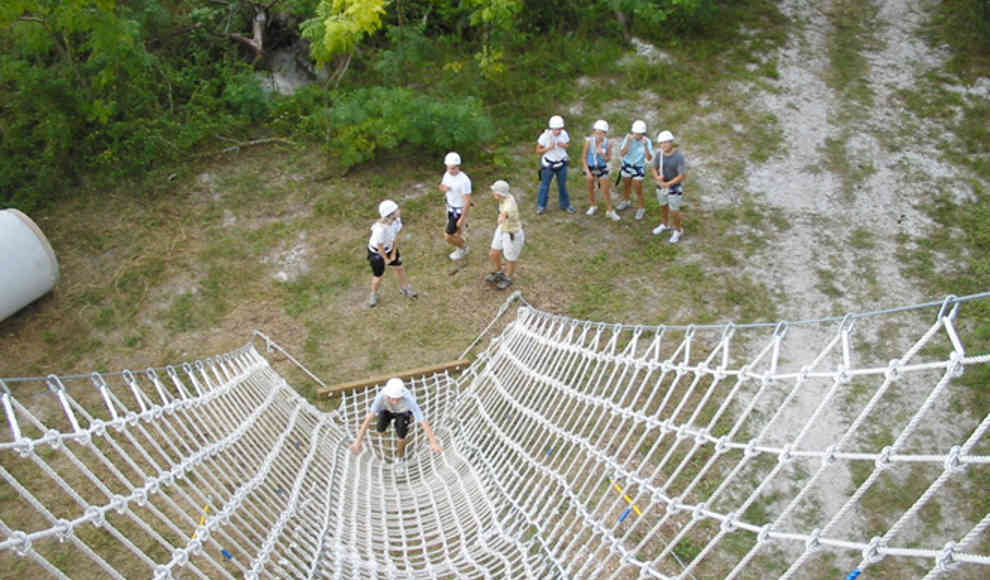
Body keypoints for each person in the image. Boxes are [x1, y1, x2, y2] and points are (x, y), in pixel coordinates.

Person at [350, 378, 443, 459]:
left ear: (402, 395)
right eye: (391, 398)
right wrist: (357, 441)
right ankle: (384, 434)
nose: (394, 402)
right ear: (387, 395)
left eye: (397, 399)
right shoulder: (381, 397)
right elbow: (368, 419)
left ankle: (400, 455)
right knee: (379, 430)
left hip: (403, 413)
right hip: (386, 410)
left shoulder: (409, 399)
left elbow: (423, 421)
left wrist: (433, 442)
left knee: (401, 436)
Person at [366, 199, 417, 307]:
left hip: (389, 248)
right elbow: (379, 246)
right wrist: (385, 259)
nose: (399, 210)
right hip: (377, 253)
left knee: (399, 268)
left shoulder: (396, 221)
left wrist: (393, 253)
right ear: (390, 214)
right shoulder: (380, 229)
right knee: (378, 276)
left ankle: (405, 288)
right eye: (396, 209)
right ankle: (374, 294)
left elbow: (395, 237)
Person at [485, 180, 525, 290]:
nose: (492, 193)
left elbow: (507, 212)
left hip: (512, 234)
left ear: (498, 194)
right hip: (503, 229)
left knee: (510, 258)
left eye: (494, 191)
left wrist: (502, 217)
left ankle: (509, 277)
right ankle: (499, 271)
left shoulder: (509, 204)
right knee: (494, 253)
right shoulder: (504, 198)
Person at [650, 131, 688, 243]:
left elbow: (682, 175)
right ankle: (664, 224)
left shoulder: (678, 157)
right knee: (663, 206)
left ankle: (678, 230)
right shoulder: (659, 154)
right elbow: (653, 168)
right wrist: (657, 178)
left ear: (671, 142)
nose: (663, 145)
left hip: (674, 188)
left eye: (666, 142)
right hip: (661, 186)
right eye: (661, 143)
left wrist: (668, 184)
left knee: (674, 211)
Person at [581, 120, 620, 221]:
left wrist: (602, 154)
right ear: (594, 132)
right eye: (597, 133)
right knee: (590, 187)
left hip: (602, 167)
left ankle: (610, 211)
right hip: (590, 167)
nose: (598, 135)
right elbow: (584, 157)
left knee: (605, 189)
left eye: (601, 133)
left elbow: (608, 158)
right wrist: (588, 172)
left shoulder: (608, 143)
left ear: (605, 133)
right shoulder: (589, 142)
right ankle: (593, 205)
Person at [536, 115, 575, 215]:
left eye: (560, 129)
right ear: (551, 128)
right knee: (545, 185)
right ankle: (541, 205)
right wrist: (548, 148)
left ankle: (565, 205)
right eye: (556, 130)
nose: (558, 132)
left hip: (561, 163)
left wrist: (564, 145)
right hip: (548, 164)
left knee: (562, 185)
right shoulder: (545, 136)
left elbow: (568, 145)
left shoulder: (564, 134)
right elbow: (538, 150)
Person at [617, 120, 654, 221]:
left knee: (638, 188)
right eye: (635, 133)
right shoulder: (628, 138)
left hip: (638, 167)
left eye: (639, 134)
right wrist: (628, 142)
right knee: (626, 185)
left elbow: (649, 158)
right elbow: (622, 153)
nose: (637, 136)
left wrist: (646, 146)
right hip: (627, 165)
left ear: (643, 134)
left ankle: (641, 208)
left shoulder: (647, 141)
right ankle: (626, 201)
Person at [439, 151, 472, 260]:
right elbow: (442, 186)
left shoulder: (464, 181)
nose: (450, 171)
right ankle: (460, 245)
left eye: (452, 168)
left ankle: (463, 248)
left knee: (448, 236)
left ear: (458, 166)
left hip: (458, 211)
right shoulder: (447, 175)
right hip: (450, 208)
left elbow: (467, 201)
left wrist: (462, 218)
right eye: (448, 168)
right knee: (457, 232)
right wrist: (444, 188)